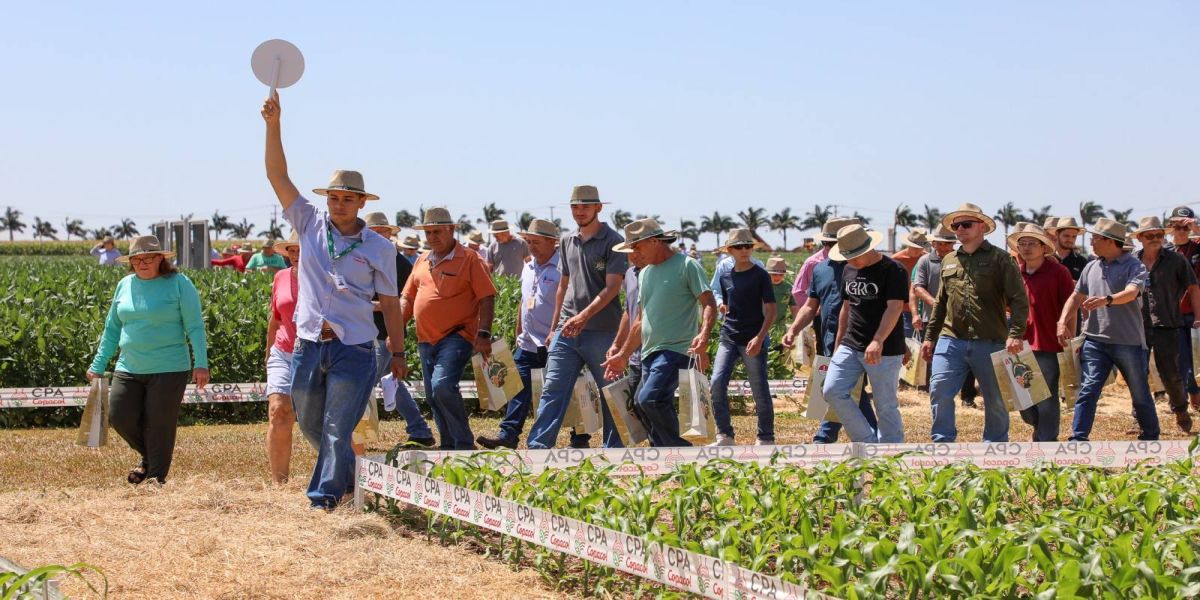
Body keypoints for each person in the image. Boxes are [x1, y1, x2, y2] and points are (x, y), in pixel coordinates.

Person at [261, 91, 406, 510]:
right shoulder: (308, 221)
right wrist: (274, 126)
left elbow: (392, 305)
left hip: (354, 347)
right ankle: (348, 480)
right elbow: (277, 176)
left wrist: (396, 351)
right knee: (310, 420)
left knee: (337, 425)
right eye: (334, 197)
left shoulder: (379, 248)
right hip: (308, 344)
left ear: (362, 202)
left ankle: (324, 499)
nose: (339, 204)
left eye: (348, 198)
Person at [87, 236, 209, 484]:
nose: (142, 263)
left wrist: (201, 363)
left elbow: (195, 326)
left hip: (170, 367)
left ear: (160, 259)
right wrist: (98, 365)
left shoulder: (179, 284)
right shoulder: (124, 285)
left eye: (148, 257)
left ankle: (156, 477)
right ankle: (150, 458)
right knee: (120, 416)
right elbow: (112, 329)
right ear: (131, 262)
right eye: (137, 258)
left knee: (160, 424)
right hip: (128, 366)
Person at [525, 185, 628, 449]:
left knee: (610, 392)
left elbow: (613, 287)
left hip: (603, 330)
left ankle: (613, 450)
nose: (579, 211)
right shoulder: (567, 240)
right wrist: (554, 326)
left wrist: (583, 317)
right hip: (566, 329)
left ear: (598, 208)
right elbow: (563, 285)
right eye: (575, 207)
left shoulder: (613, 241)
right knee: (552, 389)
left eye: (585, 206)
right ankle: (537, 448)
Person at [603, 218, 717, 447]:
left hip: (677, 348)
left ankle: (680, 452)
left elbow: (709, 304)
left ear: (654, 241)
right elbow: (639, 320)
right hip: (649, 352)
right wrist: (624, 355)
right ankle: (666, 454)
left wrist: (704, 335)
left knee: (650, 399)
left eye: (636, 246)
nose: (633, 253)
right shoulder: (644, 274)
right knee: (639, 402)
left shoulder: (687, 265)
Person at [923, 203, 1029, 443]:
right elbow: (941, 303)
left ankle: (994, 447)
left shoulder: (1001, 259)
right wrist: (930, 337)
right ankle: (942, 443)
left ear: (982, 227)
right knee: (939, 390)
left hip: (991, 341)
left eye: (966, 224)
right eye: (955, 225)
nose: (959, 229)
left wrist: (1016, 334)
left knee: (996, 399)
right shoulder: (948, 260)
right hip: (951, 340)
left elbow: (1019, 300)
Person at [400, 207, 497, 450]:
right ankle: (448, 444)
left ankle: (463, 444)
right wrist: (396, 331)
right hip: (425, 338)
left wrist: (483, 333)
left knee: (443, 386)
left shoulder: (469, 258)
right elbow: (407, 298)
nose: (432, 237)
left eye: (437, 231)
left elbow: (486, 296)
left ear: (451, 230)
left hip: (458, 334)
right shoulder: (422, 259)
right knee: (433, 394)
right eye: (428, 232)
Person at [1057, 218, 1158, 441]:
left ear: (1110, 241)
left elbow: (1133, 292)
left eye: (1095, 238)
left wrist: (1107, 299)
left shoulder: (1135, 266)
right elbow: (1076, 296)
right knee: (1088, 389)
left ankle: (1151, 438)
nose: (1091, 242)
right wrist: (1062, 320)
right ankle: (1078, 438)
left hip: (1128, 342)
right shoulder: (1091, 266)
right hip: (1095, 340)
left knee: (1139, 393)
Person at [782, 217, 877, 443]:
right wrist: (794, 330)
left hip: (859, 341)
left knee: (841, 389)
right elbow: (810, 305)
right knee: (842, 390)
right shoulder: (820, 269)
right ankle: (869, 436)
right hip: (828, 340)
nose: (827, 249)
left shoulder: (864, 268)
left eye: (832, 244)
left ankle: (827, 437)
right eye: (825, 244)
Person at [477, 219, 563, 448]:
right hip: (528, 341)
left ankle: (580, 436)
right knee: (516, 387)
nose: (531, 246)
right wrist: (519, 331)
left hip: (555, 341)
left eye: (536, 242)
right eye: (529, 241)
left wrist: (558, 331)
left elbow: (568, 303)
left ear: (552, 242)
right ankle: (508, 436)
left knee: (563, 389)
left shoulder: (564, 267)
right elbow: (524, 302)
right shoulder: (528, 266)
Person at [820, 224, 908, 443]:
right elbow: (846, 308)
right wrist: (839, 343)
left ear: (869, 247)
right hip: (851, 344)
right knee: (831, 390)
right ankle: (866, 441)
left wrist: (877, 340)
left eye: (855, 256)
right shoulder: (849, 270)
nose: (851, 261)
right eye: (847, 256)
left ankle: (891, 453)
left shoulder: (894, 270)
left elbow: (895, 307)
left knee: (885, 404)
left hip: (885, 349)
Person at [364, 212, 435, 448]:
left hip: (386, 335)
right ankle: (419, 430)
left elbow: (407, 300)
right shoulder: (364, 258)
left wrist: (374, 306)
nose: (378, 236)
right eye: (373, 232)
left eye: (382, 232)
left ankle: (347, 432)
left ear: (389, 234)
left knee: (365, 381)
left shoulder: (402, 265)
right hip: (368, 332)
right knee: (392, 381)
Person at [708, 229, 777, 446]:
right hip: (728, 336)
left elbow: (771, 310)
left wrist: (759, 337)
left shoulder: (761, 274)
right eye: (739, 247)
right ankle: (724, 435)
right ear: (730, 250)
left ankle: (766, 437)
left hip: (752, 338)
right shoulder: (725, 274)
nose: (745, 250)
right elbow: (724, 300)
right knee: (716, 382)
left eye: (748, 246)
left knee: (759, 388)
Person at [1009, 223, 1073, 442]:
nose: (1026, 248)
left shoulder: (1059, 272)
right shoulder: (1014, 273)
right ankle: (1037, 426)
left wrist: (1068, 333)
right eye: (1022, 244)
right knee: (1023, 398)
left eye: (1032, 243)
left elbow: (1070, 304)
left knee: (1046, 396)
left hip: (1049, 343)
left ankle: (1047, 441)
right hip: (1020, 343)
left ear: (1044, 247)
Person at [1134, 216, 1198, 433]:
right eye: (1150, 236)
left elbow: (1193, 288)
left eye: (1159, 235)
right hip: (1136, 326)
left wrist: (1198, 316)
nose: (1155, 239)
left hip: (1168, 324)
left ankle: (1180, 410)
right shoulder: (1132, 261)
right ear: (1140, 238)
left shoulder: (1176, 260)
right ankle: (1140, 418)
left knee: (1170, 374)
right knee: (1137, 373)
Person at [265, 233, 303, 484]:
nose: (296, 254)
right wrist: (268, 354)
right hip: (283, 352)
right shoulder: (280, 277)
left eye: (302, 248)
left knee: (317, 419)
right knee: (279, 411)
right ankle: (280, 484)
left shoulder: (327, 277)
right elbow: (275, 319)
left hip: (316, 353)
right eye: (291, 249)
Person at [1164, 205, 1200, 412]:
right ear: (1170, 227)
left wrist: (1196, 230)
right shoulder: (1164, 251)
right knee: (1180, 361)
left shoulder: (1198, 247)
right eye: (1177, 226)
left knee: (1196, 361)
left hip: (1195, 313)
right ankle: (1185, 401)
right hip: (1173, 314)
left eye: (1185, 227)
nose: (1181, 231)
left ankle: (1194, 400)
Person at [892, 229, 928, 338]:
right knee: (906, 343)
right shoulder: (896, 260)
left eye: (920, 247)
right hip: (903, 310)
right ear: (908, 244)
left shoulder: (927, 259)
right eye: (914, 247)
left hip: (924, 310)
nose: (917, 250)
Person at [766, 256, 795, 325]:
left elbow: (794, 307)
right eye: (774, 274)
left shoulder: (788, 287)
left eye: (781, 275)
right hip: (761, 325)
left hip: (779, 326)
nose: (777, 277)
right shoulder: (762, 286)